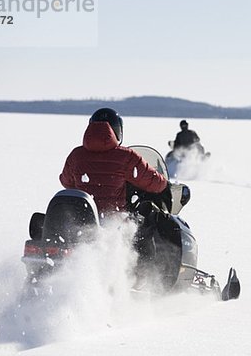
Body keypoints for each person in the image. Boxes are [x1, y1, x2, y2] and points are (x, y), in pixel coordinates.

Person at [59, 108, 172, 272]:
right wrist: (164, 182)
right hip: (113, 223)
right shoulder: (126, 156)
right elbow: (155, 183)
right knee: (145, 227)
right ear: (117, 131)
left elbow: (65, 181)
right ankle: (143, 277)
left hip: (80, 222)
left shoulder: (76, 155)